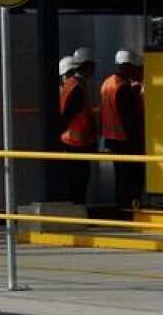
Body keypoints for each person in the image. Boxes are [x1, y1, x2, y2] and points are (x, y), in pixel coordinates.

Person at [101, 49, 145, 209]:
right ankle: (128, 207)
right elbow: (128, 119)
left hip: (111, 138)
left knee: (120, 176)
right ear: (127, 67)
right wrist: (137, 143)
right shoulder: (122, 88)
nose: (136, 72)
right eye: (135, 68)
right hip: (125, 140)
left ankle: (121, 207)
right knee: (130, 177)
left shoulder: (108, 82)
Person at [59, 54, 96, 205]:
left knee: (74, 183)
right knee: (79, 184)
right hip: (78, 143)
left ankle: (76, 210)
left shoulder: (68, 87)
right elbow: (68, 116)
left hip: (71, 141)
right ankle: (78, 211)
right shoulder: (75, 88)